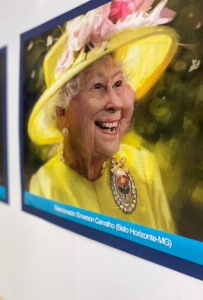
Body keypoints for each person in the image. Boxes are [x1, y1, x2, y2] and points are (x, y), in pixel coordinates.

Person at [27, 0, 178, 233]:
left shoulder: (143, 165)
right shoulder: (45, 184)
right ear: (63, 114)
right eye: (97, 86)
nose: (116, 102)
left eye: (118, 83)